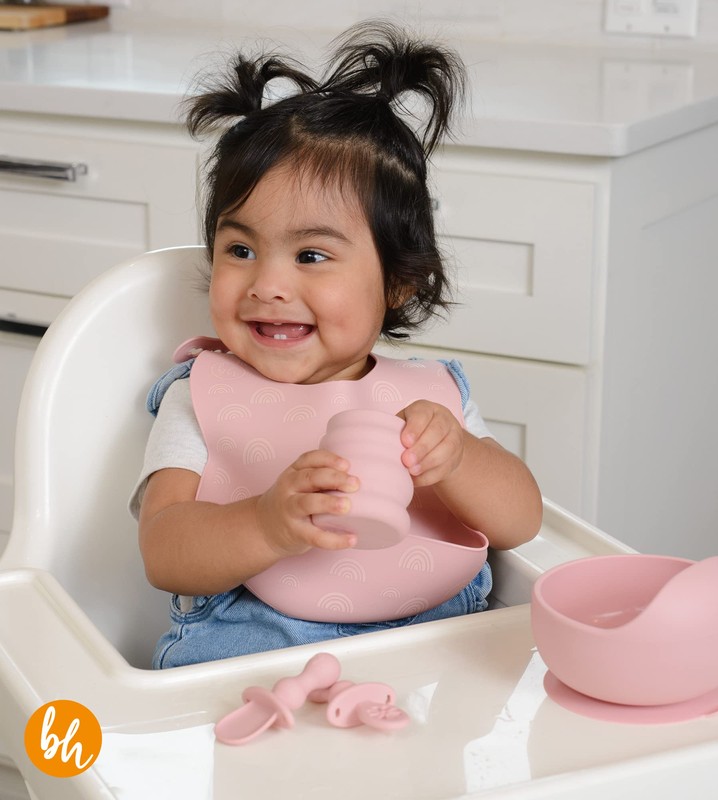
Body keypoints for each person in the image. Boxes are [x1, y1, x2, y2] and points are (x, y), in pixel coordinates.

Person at [130, 20, 543, 668]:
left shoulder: (430, 398)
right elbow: (164, 550)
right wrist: (265, 523)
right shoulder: (202, 395)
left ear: (399, 282)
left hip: (434, 666)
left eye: (311, 255)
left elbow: (521, 521)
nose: (267, 285)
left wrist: (460, 459)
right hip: (256, 666)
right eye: (240, 249)